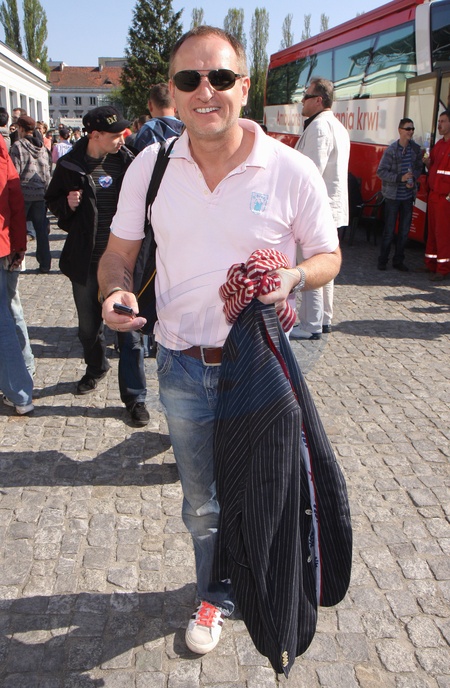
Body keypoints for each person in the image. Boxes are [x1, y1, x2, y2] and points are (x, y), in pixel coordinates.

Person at [98, 26, 340, 656]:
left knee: (262, 492)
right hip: (182, 366)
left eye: (221, 78)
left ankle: (265, 585)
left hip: (261, 367)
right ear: (173, 92)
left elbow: (328, 256)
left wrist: (293, 277)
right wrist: (116, 292)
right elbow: (118, 254)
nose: (205, 91)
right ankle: (215, 592)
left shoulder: (290, 168)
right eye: (189, 79)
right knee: (202, 504)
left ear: (244, 86)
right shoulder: (150, 167)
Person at [45, 106, 149, 427]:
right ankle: (96, 367)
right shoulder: (70, 165)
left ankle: (135, 397)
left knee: (129, 332)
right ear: (95, 135)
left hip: (123, 263)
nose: (123, 139)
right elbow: (53, 201)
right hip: (86, 262)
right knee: (89, 328)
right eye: (116, 134)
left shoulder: (129, 162)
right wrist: (67, 205)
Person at [291, 77, 350, 340]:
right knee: (325, 263)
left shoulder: (319, 127)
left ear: (318, 100)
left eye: (306, 96)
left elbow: (311, 173)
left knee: (311, 263)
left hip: (316, 209)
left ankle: (310, 323)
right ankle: (324, 318)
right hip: (330, 208)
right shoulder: (336, 126)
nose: (302, 101)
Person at [0, 134, 34, 415]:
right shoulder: (2, 151)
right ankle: (24, 377)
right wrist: (19, 245)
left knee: (4, 318)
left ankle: (20, 391)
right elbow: (15, 199)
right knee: (9, 311)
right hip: (4, 245)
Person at [376, 118, 423, 272]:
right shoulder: (392, 150)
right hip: (393, 197)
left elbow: (418, 168)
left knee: (404, 231)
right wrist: (399, 178)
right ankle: (383, 260)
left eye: (412, 129)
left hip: (408, 196)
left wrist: (413, 178)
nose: (411, 132)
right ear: (400, 130)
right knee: (389, 231)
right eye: (408, 129)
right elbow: (381, 172)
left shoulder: (415, 149)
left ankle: (398, 260)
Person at [9, 115, 51, 274]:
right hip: (40, 194)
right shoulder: (42, 148)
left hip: (23, 194)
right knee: (41, 231)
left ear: (20, 128)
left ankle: (16, 262)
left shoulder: (18, 146)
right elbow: (47, 172)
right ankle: (45, 263)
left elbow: (14, 172)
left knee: (18, 229)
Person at [423, 109, 450, 281]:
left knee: (443, 234)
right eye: (439, 121)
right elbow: (432, 167)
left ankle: (443, 268)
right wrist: (427, 163)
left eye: (443, 121)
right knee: (432, 232)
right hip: (433, 195)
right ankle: (431, 263)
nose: (439, 124)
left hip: (444, 198)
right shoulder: (439, 145)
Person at [133, 83, 184, 152]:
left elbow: (137, 156)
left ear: (150, 105)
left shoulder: (147, 131)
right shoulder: (187, 130)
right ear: (176, 105)